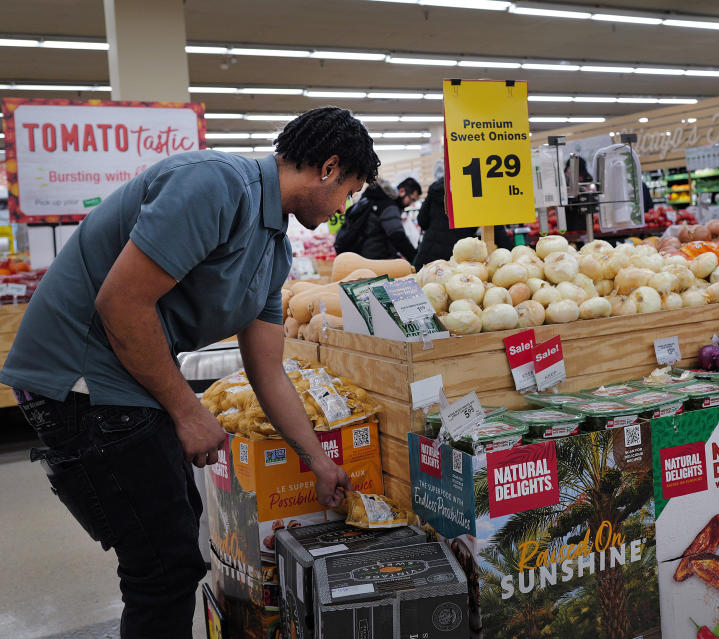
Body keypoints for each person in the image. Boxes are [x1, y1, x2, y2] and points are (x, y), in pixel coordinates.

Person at [0, 106, 378, 639]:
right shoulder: (217, 185)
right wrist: (187, 410)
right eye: (349, 191)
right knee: (163, 567)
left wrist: (318, 459)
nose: (345, 206)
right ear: (328, 167)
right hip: (81, 379)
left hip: (123, 385)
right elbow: (122, 303)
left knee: (175, 549)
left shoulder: (271, 251)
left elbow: (267, 371)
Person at [413, 176, 511, 269]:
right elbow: (498, 233)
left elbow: (422, 221)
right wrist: (513, 255)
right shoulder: (478, 188)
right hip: (454, 260)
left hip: (426, 258)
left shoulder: (437, 187)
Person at [351, 176, 421, 261]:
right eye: (411, 199)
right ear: (402, 191)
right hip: (378, 258)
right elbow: (398, 237)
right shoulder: (389, 206)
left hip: (365, 255)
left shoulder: (376, 199)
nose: (411, 203)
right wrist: (416, 259)